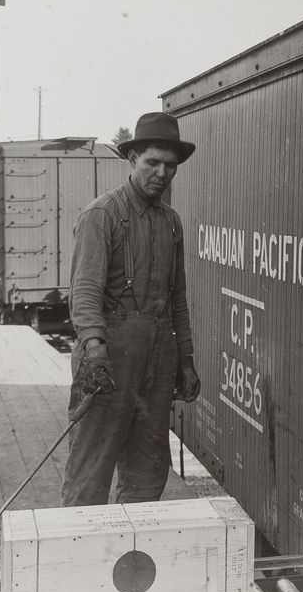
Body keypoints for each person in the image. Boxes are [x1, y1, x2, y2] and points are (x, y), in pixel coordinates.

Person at [61, 112, 201, 506]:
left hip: (158, 362)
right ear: (132, 159)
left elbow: (177, 300)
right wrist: (94, 351)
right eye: (151, 162)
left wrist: (185, 361)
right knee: (91, 471)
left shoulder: (171, 223)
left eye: (169, 166)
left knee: (147, 473)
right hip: (110, 360)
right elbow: (84, 293)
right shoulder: (101, 215)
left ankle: (132, 562)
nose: (161, 173)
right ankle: (79, 562)